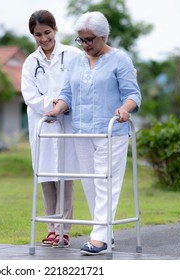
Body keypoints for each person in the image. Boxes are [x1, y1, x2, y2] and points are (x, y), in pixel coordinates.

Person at [46, 11, 142, 255]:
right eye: (81, 39)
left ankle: (98, 238)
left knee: (105, 182)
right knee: (90, 184)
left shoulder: (120, 59)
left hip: (111, 131)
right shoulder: (77, 61)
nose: (85, 45)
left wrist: (124, 109)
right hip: (81, 130)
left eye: (89, 39)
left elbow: (133, 94)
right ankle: (106, 234)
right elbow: (67, 93)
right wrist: (57, 109)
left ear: (104, 36)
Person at [21, 10, 82, 248]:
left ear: (55, 30)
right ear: (33, 35)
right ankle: (50, 228)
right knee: (46, 178)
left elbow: (79, 85)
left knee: (65, 178)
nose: (44, 38)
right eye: (38, 35)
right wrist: (52, 104)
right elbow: (30, 96)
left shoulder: (73, 55)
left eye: (47, 32)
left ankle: (64, 230)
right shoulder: (30, 62)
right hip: (43, 125)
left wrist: (63, 105)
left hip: (66, 122)